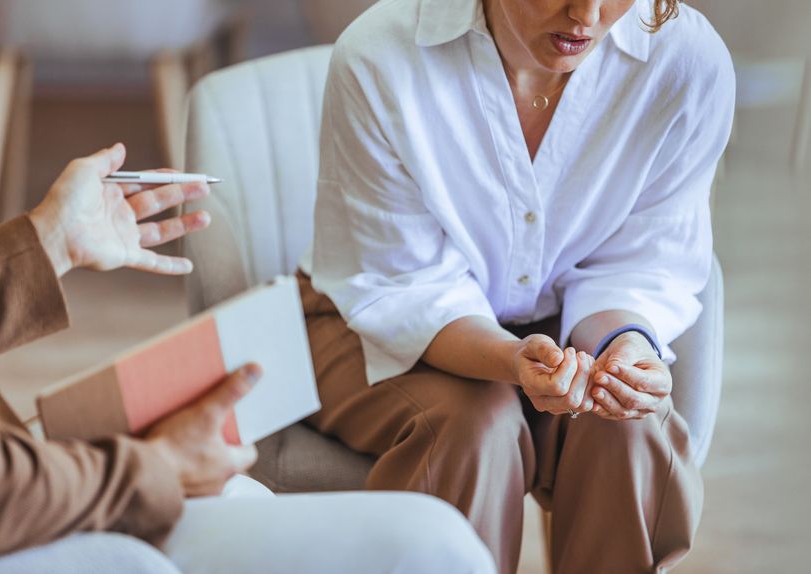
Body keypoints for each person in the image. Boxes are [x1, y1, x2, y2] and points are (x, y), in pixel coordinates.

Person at [0, 2, 497, 573]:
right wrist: (157, 466)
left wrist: (44, 246)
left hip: (5, 478)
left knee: (249, 497)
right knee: (435, 546)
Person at [299, 0, 735, 572]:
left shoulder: (687, 62)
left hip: (564, 324)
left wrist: (622, 348)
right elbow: (401, 285)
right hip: (374, 321)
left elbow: (641, 263)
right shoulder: (382, 55)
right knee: (472, 426)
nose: (587, 14)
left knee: (625, 426)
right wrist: (510, 360)